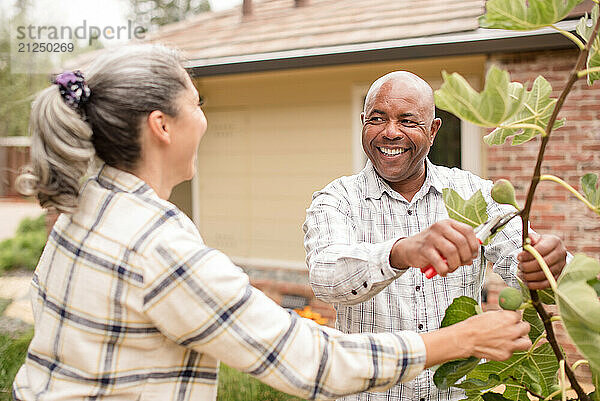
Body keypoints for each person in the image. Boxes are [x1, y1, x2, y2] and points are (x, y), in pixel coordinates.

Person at [12, 47, 531, 401]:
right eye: (198, 103)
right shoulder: (156, 246)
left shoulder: (86, 205)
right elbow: (308, 358)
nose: (205, 119)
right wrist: (462, 340)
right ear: (162, 125)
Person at [303, 71, 567, 401]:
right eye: (377, 119)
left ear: (433, 131)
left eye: (407, 121)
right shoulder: (337, 199)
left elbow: (523, 263)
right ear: (363, 123)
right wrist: (400, 252)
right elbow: (326, 277)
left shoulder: (476, 195)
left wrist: (546, 264)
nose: (390, 132)